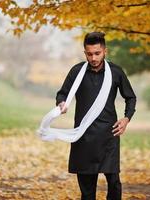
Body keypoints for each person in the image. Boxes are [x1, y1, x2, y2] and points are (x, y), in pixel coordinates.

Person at [56, 32, 136, 200]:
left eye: (97, 53)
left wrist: (126, 118)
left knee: (114, 183)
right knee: (87, 191)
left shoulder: (116, 72)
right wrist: (61, 104)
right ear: (85, 52)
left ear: (105, 51)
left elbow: (130, 97)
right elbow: (62, 94)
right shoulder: (77, 71)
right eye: (89, 54)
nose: (93, 58)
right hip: (83, 136)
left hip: (109, 135)